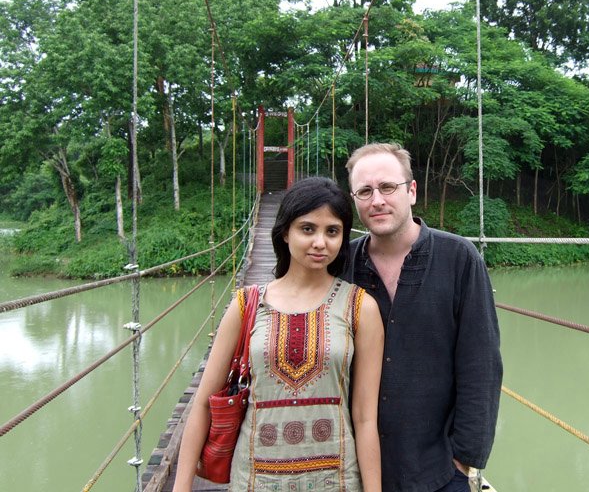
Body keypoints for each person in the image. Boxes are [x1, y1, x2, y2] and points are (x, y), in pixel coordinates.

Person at [174, 176, 384, 492]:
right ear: (285, 232)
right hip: (255, 480)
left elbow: (366, 418)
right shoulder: (246, 304)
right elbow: (203, 403)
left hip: (337, 481)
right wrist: (181, 487)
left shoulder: (360, 307)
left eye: (332, 231)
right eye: (307, 228)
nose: (320, 242)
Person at [345, 143, 503, 492]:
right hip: (353, 469)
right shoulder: (341, 263)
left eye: (388, 187)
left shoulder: (460, 258)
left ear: (411, 191)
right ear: (354, 199)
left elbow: (482, 365)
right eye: (365, 191)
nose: (377, 200)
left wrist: (464, 461)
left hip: (438, 472)